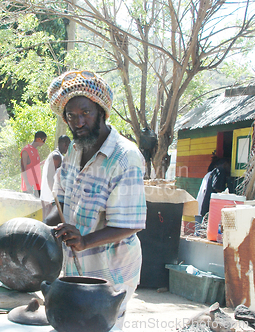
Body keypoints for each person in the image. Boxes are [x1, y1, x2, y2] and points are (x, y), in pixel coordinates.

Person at [44, 70, 146, 329]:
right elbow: (61, 204)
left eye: (85, 113)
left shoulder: (125, 158)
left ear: (101, 111)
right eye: (71, 116)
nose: (78, 122)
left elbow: (130, 223)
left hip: (111, 268)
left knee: (103, 327)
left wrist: (85, 240)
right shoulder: (74, 152)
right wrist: (40, 230)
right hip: (77, 265)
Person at [40, 135, 71, 219]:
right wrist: (54, 196)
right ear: (65, 144)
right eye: (69, 146)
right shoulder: (56, 156)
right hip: (49, 198)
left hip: (49, 197)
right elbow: (49, 177)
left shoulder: (57, 155)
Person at [20, 131, 47, 196]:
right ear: (38, 139)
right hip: (29, 187)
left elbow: (32, 165)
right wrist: (27, 185)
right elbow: (23, 168)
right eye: (43, 140)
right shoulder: (26, 150)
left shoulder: (35, 150)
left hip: (37, 185)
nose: (44, 143)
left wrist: (41, 163)